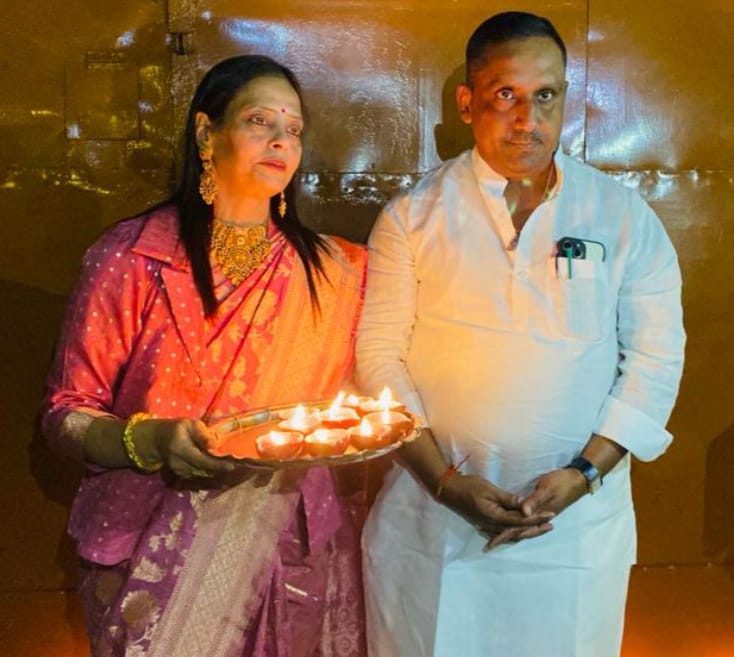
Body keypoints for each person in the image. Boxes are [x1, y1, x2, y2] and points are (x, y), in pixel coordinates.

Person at [356, 11, 685, 657]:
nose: (528, 119)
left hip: (574, 531)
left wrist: (584, 473)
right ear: (467, 102)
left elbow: (656, 359)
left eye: (546, 96)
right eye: (506, 94)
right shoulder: (413, 217)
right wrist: (445, 482)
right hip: (434, 524)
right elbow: (378, 357)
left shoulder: (621, 216)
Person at [42, 55, 367, 657]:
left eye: (294, 129)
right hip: (146, 543)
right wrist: (149, 440)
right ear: (205, 133)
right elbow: (66, 413)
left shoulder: (333, 272)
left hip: (285, 547)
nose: (281, 140)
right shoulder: (131, 257)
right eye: (260, 121)